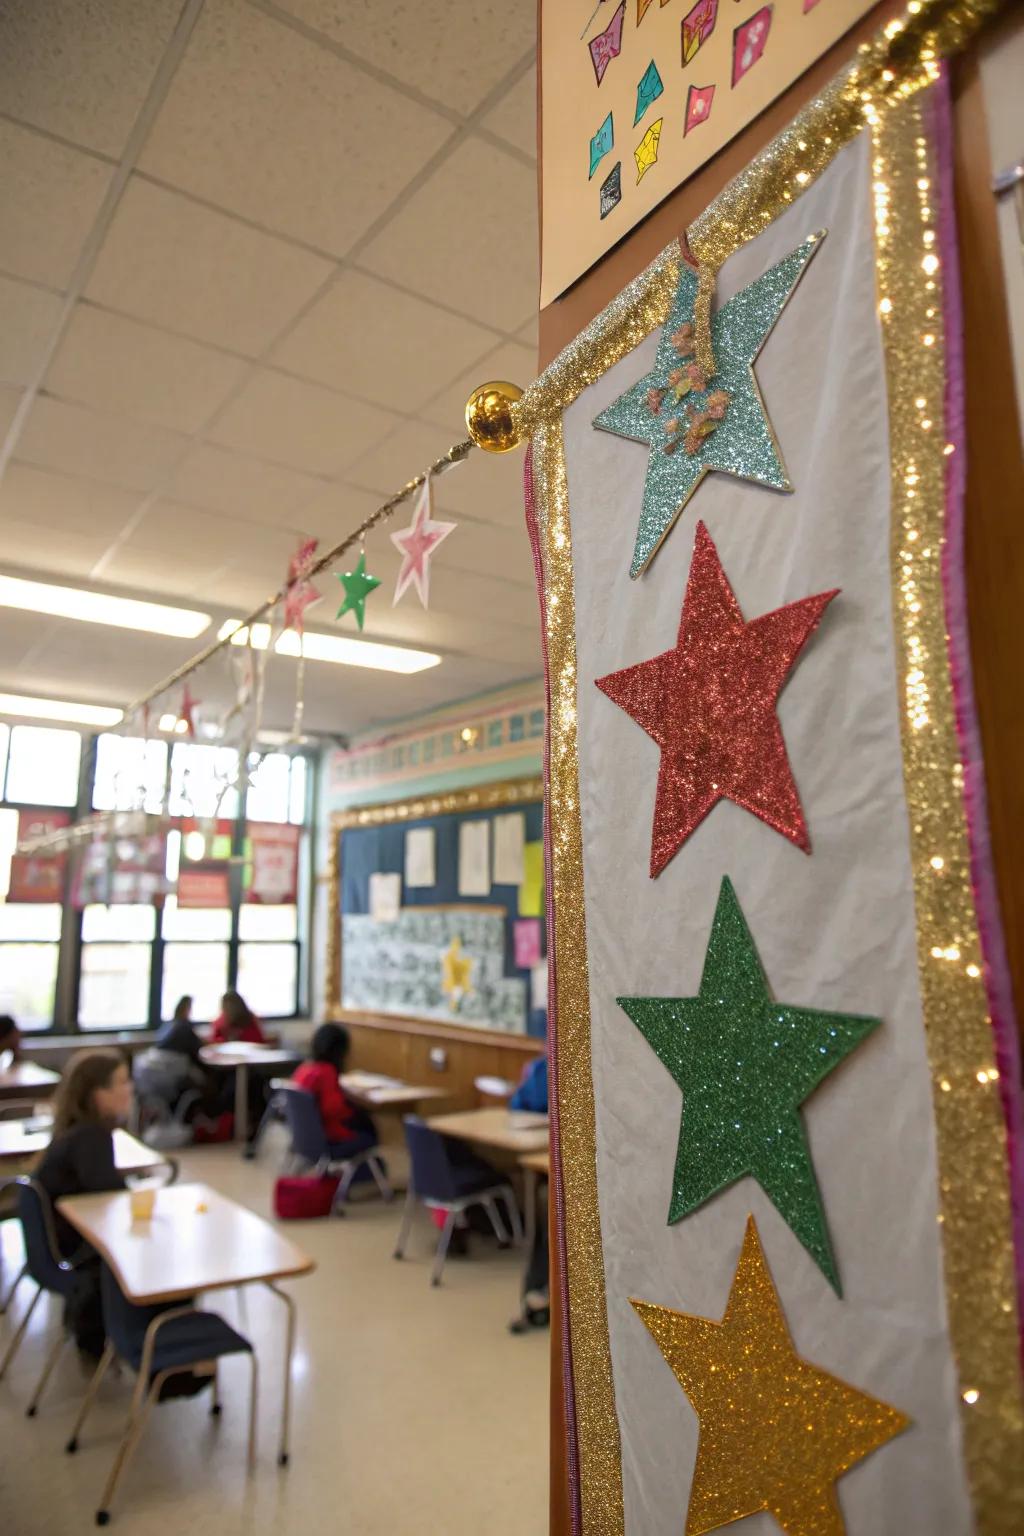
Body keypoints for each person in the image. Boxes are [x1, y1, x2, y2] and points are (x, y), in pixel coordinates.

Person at [34, 1048, 132, 1356]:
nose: (129, 1089)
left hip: (57, 1245)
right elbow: (111, 1196)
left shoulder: (77, 1132)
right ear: (98, 1094)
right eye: (122, 1082)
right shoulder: (92, 1138)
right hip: (78, 1252)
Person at [292, 1023, 378, 1158]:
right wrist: (351, 1107)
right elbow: (332, 1109)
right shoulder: (327, 1072)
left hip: (304, 1138)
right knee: (368, 1128)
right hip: (329, 1139)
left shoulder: (304, 1069)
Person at [156, 994, 201, 1063]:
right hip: (173, 1060)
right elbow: (196, 1045)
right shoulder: (183, 1026)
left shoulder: (169, 1024)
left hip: (161, 1058)